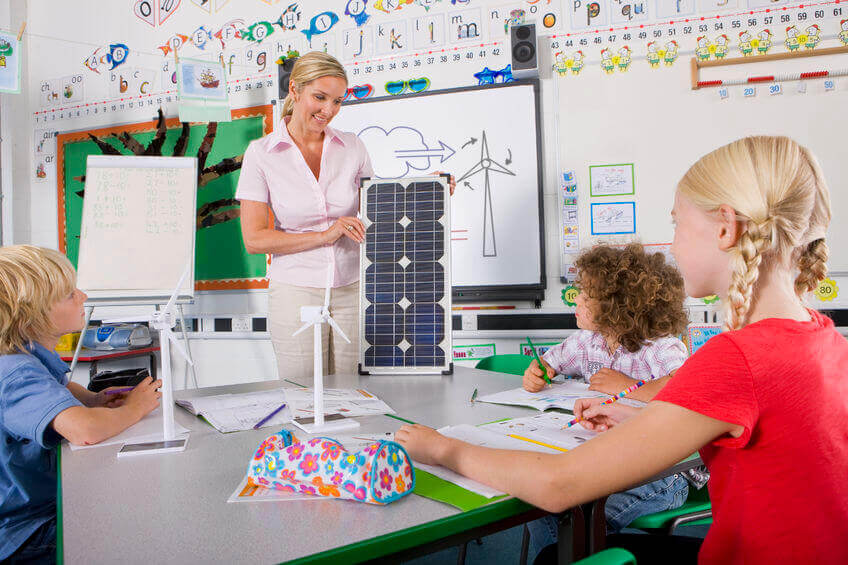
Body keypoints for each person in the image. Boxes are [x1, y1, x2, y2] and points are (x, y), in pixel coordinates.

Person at [396, 136, 848, 564]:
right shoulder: (822, 337)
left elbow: (558, 485)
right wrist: (632, 415)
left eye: (677, 224)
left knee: (559, 555)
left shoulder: (738, 357)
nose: (672, 243)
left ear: (726, 228)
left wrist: (442, 449)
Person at [237, 51, 454, 380]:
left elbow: (381, 211)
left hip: (355, 288)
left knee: (355, 393)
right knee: (304, 394)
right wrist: (325, 235)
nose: (328, 111)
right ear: (294, 90)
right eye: (320, 98)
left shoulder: (352, 147)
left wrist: (427, 191)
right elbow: (254, 239)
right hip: (295, 291)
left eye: (337, 101)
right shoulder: (261, 154)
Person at [0, 245, 162, 563]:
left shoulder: (25, 358)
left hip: (39, 511)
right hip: (24, 533)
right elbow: (84, 431)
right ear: (33, 311)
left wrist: (93, 399)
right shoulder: (16, 372)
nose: (82, 296)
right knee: (140, 531)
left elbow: (57, 384)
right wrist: (134, 409)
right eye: (69, 294)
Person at [522, 244, 692, 539]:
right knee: (546, 501)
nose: (577, 301)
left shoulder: (661, 346)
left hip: (665, 472)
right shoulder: (587, 341)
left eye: (587, 297)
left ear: (618, 307)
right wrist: (538, 373)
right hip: (609, 457)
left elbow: (686, 390)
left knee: (578, 517)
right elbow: (548, 362)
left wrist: (625, 387)